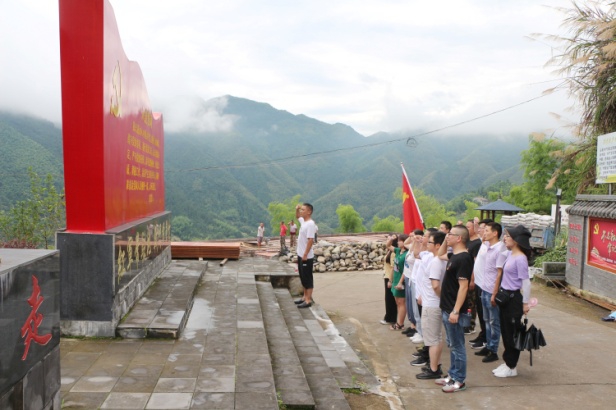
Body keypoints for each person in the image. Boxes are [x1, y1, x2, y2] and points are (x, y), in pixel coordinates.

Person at [435, 224, 473, 393]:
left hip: (454, 310)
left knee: (458, 346)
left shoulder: (464, 258)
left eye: (450, 234)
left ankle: (459, 380)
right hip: (447, 307)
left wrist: (456, 311)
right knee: (452, 344)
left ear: (459, 238)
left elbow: (463, 287)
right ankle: (452, 375)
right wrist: (445, 239)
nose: (447, 236)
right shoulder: (453, 255)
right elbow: (439, 254)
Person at [493, 225, 532, 378]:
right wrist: (506, 240)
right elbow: (500, 250)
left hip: (513, 299)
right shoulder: (510, 254)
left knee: (512, 334)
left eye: (508, 236)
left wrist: (525, 303)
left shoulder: (520, 258)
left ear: (516, 240)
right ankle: (507, 361)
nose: (504, 238)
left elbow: (526, 282)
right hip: (505, 298)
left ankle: (512, 366)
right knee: (505, 331)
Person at [415, 231, 448, 379]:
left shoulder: (436, 261)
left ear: (438, 245)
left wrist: (442, 298)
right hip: (433, 303)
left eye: (430, 242)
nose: (427, 243)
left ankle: (434, 370)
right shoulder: (440, 259)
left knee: (432, 339)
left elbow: (435, 286)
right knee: (436, 337)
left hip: (432, 304)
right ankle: (435, 365)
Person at [474, 221, 506, 364]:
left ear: (495, 233)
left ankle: (493, 350)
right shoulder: (487, 246)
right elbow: (479, 236)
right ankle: (488, 345)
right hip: (484, 288)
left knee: (494, 322)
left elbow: (499, 273)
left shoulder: (500, 249)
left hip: (492, 290)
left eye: (487, 230)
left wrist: (494, 293)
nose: (484, 233)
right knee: (486, 320)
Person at [401, 229, 424, 338]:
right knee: (410, 304)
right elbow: (405, 243)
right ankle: (413, 325)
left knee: (415, 306)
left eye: (415, 235)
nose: (412, 237)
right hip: (409, 278)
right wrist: (412, 238)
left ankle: (417, 328)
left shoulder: (420, 249)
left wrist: (416, 241)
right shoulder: (412, 246)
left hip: (414, 279)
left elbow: (415, 255)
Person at [294, 203, 317, 308]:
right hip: (301, 254)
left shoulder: (311, 224)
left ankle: (308, 300)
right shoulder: (304, 222)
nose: (301, 211)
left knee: (307, 278)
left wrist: (305, 254)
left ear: (309, 212)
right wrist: (297, 209)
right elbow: (297, 216)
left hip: (306, 256)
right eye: (301, 209)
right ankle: (304, 297)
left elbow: (310, 240)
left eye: (303, 210)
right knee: (303, 277)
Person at [387, 234, 409, 330]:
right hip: (396, 279)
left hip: (401, 280)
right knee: (398, 302)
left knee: (401, 302)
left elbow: (406, 270)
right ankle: (399, 322)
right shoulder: (398, 251)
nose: (398, 242)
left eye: (400, 240)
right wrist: (391, 239)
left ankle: (400, 324)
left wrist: (400, 282)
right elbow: (388, 245)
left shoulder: (407, 254)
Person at [464, 219, 483, 335]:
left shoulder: (477, 243)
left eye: (469, 227)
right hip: (463, 275)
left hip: (471, 275)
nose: (467, 229)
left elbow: (476, 263)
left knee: (471, 303)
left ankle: (470, 325)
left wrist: (472, 279)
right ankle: (464, 323)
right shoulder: (467, 241)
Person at [380, 234, 399, 325]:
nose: (388, 240)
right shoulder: (389, 251)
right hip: (387, 276)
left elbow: (393, 267)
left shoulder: (393, 253)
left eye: (390, 238)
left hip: (389, 277)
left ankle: (390, 318)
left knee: (390, 299)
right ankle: (389, 317)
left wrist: (390, 280)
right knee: (389, 298)